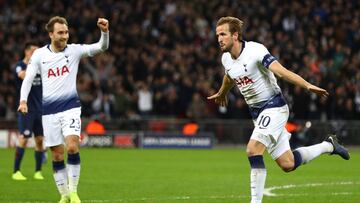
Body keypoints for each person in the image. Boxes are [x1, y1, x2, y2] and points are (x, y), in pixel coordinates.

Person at [207, 16, 350, 203]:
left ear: (235, 35)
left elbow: (281, 71)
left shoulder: (255, 51)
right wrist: (222, 92)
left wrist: (307, 85)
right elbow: (229, 76)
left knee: (252, 150)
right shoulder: (226, 58)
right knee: (287, 163)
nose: (219, 39)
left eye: (223, 34)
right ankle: (329, 145)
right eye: (217, 35)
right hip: (257, 115)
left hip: (274, 107)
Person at [18, 16, 109, 203]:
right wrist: (23, 101)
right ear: (51, 34)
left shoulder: (74, 51)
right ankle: (64, 195)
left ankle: (74, 193)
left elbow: (101, 47)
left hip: (71, 108)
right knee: (57, 154)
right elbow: (28, 79)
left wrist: (104, 32)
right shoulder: (39, 55)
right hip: (49, 111)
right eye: (60, 32)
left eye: (66, 32)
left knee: (73, 146)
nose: (64, 36)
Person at [12, 42, 45, 181]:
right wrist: (34, 67)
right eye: (33, 51)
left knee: (39, 140)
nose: (36, 54)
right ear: (26, 52)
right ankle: (16, 171)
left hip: (40, 109)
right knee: (24, 139)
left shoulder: (41, 67)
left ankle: (38, 171)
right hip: (26, 109)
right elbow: (22, 75)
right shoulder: (20, 65)